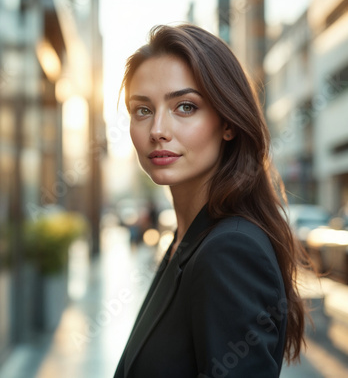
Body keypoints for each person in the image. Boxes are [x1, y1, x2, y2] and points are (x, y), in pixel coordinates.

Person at [113, 24, 311, 378]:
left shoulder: (229, 251)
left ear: (228, 123)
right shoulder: (186, 240)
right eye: (142, 110)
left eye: (185, 107)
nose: (158, 129)